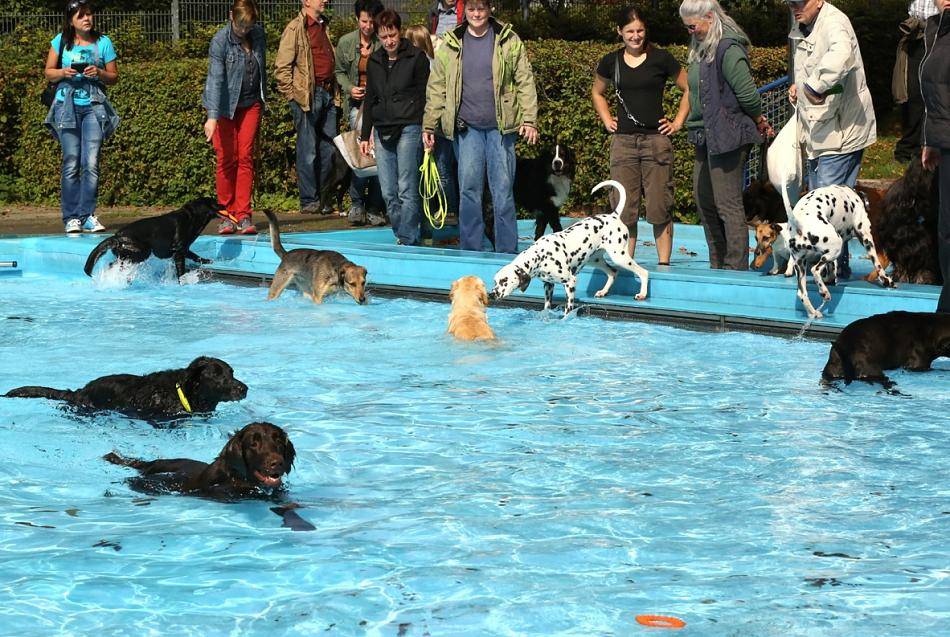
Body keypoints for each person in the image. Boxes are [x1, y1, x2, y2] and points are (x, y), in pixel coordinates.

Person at [423, 0, 539, 253]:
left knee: (503, 191)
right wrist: (429, 125)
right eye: (472, 9)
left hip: (501, 128)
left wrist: (529, 119)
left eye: (481, 9)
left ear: (489, 10)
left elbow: (525, 81)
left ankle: (508, 251)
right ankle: (471, 249)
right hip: (467, 129)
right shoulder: (452, 42)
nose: (477, 14)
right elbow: (437, 87)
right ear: (466, 12)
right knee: (469, 190)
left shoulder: (508, 39)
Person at [592, 4, 690, 264]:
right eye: (630, 31)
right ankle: (626, 265)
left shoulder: (662, 59)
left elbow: (690, 88)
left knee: (660, 206)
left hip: (656, 142)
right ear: (619, 32)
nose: (635, 36)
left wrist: (678, 122)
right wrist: (606, 119)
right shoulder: (610, 61)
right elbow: (597, 92)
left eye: (640, 30)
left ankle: (664, 265)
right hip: (623, 143)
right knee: (625, 210)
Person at [787, 0, 876, 280]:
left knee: (823, 207)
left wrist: (815, 85)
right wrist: (800, 87)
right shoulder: (804, 22)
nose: (794, 7)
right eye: (790, 3)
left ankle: (829, 271)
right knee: (827, 205)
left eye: (799, 2)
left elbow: (840, 56)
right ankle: (836, 268)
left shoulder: (835, 23)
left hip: (840, 133)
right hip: (821, 132)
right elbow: (809, 70)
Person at [679, 0, 771, 270]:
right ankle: (717, 262)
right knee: (704, 200)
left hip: (729, 134)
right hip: (704, 134)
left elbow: (747, 94)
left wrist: (758, 119)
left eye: (692, 26)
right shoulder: (699, 45)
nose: (690, 32)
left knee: (727, 203)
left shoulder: (729, 48)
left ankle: (736, 266)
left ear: (709, 17)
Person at [44, 0, 119, 236]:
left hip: (94, 107)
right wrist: (62, 73)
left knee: (91, 162)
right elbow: (48, 71)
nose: (87, 19)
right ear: (71, 21)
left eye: (89, 15)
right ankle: (71, 217)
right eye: (80, 16)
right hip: (66, 107)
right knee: (71, 161)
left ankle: (87, 214)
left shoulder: (103, 42)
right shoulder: (60, 41)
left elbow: (114, 77)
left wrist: (98, 72)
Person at [359, 10, 430, 246]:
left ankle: (408, 238)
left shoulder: (416, 57)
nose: (389, 41)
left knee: (406, 187)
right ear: (378, 36)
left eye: (392, 35)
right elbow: (370, 98)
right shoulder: (375, 61)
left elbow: (425, 96)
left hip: (409, 126)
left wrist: (427, 128)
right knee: (388, 191)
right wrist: (364, 135)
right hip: (382, 128)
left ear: (400, 32)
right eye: (383, 36)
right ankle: (404, 232)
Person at [202, 0, 266, 235]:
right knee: (227, 158)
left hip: (251, 104)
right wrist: (212, 116)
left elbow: (261, 69)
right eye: (240, 26)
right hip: (223, 108)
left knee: (245, 156)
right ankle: (227, 215)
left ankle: (244, 214)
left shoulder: (258, 34)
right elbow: (216, 79)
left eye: (248, 26)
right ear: (231, 16)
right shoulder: (220, 41)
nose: (243, 31)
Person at [275, 0, 337, 214]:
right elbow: (282, 67)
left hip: (328, 93)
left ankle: (323, 198)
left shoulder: (323, 25)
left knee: (328, 149)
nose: (325, 0)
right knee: (308, 150)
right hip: (307, 97)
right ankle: (309, 200)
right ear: (306, 1)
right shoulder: (295, 28)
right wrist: (293, 96)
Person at [335, 0, 387, 227]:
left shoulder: (382, 42)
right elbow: (338, 71)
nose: (368, 26)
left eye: (371, 22)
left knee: (378, 155)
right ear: (357, 19)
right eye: (364, 21)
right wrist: (349, 88)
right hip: (356, 107)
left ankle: (375, 205)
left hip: (378, 106)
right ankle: (357, 203)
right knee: (359, 153)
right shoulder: (346, 42)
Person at [407, 24, 460, 235]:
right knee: (435, 171)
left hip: (436, 126)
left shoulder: (429, 65)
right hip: (428, 125)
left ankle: (450, 211)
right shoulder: (430, 62)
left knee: (442, 170)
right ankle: (441, 210)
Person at [920, 0, 950, 311]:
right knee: (946, 233)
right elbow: (936, 94)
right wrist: (931, 139)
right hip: (945, 140)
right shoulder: (937, 28)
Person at [894, 0, 939, 163]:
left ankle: (932, 144)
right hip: (917, 35)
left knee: (939, 91)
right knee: (913, 93)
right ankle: (909, 148)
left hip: (942, 31)